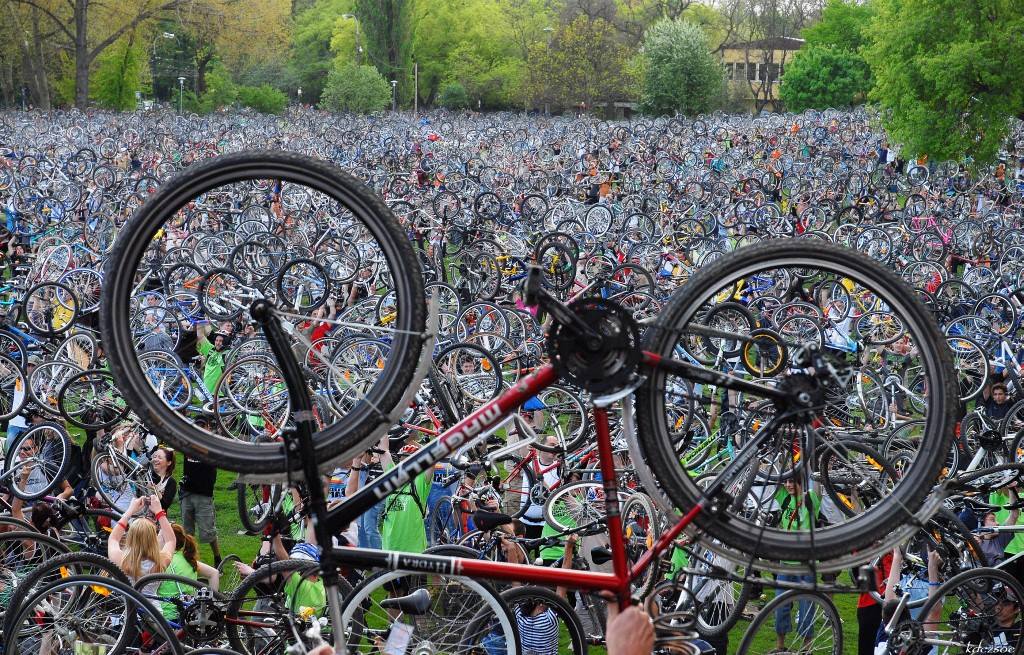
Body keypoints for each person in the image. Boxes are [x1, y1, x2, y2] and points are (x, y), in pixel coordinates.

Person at [108, 495, 176, 581]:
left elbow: (113, 539)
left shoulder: (120, 559)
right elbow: (171, 541)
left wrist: (130, 510)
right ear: (153, 539)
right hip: (146, 595)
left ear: (130, 537)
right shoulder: (160, 562)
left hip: (123, 595)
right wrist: (159, 511)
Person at [180, 438, 222, 566]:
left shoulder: (211, 448)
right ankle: (190, 560)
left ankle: (218, 558)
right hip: (187, 494)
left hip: (204, 496)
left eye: (203, 426)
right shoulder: (188, 445)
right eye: (198, 425)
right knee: (187, 532)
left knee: (208, 532)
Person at [196, 323, 227, 395]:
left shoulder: (227, 353)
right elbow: (200, 335)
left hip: (219, 394)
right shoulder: (210, 349)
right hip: (206, 392)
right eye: (217, 340)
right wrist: (200, 319)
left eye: (221, 341)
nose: (218, 343)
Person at [150, 446, 178, 510]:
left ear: (168, 463)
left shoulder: (171, 482)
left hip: (157, 518)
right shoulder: (146, 475)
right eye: (154, 456)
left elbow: (165, 506)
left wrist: (155, 491)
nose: (155, 459)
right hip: (139, 516)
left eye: (159, 458)